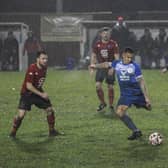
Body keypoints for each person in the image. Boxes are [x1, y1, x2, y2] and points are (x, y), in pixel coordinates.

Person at [90, 47, 151, 140]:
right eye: (128, 57)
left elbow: (141, 82)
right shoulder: (117, 63)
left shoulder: (135, 66)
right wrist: (95, 65)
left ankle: (142, 104)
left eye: (131, 58)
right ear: (123, 55)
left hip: (136, 93)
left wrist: (146, 98)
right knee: (119, 112)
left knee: (149, 108)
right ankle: (136, 131)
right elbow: (106, 64)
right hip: (125, 95)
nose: (129, 59)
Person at [9, 51, 62, 138]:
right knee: (21, 115)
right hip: (27, 94)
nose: (45, 61)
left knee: (49, 110)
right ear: (37, 59)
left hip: (37, 93)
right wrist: (42, 94)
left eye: (46, 59)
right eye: (43, 58)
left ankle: (52, 131)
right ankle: (12, 133)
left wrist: (41, 93)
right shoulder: (32, 68)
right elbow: (28, 86)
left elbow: (38, 83)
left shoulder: (44, 68)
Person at [90, 27, 119, 112]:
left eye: (107, 33)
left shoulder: (113, 44)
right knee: (98, 86)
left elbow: (117, 58)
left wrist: (113, 68)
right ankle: (102, 103)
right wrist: (92, 66)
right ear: (101, 34)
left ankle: (111, 105)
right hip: (101, 67)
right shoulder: (97, 44)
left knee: (110, 87)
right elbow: (94, 55)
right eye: (104, 33)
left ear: (110, 35)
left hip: (110, 67)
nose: (106, 35)